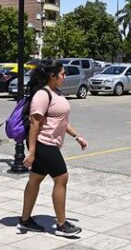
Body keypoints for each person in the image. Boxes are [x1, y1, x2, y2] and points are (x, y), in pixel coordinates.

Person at [19, 60, 88, 236]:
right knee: (62, 178)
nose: (65, 76)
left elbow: (61, 121)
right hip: (43, 143)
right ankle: (62, 224)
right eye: (63, 74)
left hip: (49, 143)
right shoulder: (42, 95)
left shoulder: (56, 92)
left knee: (35, 179)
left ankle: (25, 220)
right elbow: (35, 123)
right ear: (52, 76)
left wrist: (76, 136)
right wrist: (32, 151)